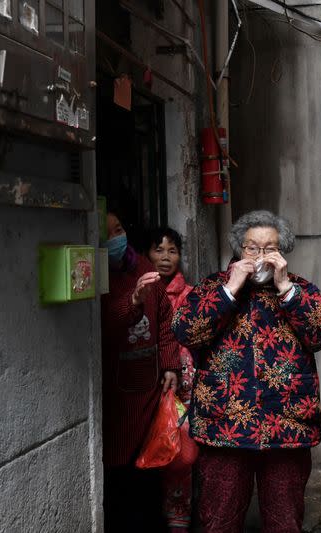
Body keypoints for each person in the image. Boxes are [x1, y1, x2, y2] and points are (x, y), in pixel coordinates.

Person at [172, 210, 321, 533]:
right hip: (224, 428)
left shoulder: (300, 290)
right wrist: (229, 291)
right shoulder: (214, 287)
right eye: (252, 248)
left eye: (270, 249)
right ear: (239, 250)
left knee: (284, 522)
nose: (261, 257)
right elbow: (184, 329)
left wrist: (286, 290)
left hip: (286, 429)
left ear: (282, 253)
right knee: (218, 522)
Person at [101, 212, 180, 532]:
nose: (116, 237)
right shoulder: (98, 278)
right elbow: (103, 326)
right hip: (117, 394)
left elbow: (164, 323)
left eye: (119, 229)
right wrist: (132, 302)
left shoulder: (146, 271)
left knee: (150, 468)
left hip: (150, 390)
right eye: (108, 234)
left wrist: (171, 365)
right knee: (120, 475)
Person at [145, 227, 196, 533]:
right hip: (145, 387)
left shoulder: (189, 296)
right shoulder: (140, 291)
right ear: (146, 254)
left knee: (180, 454)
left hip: (181, 387)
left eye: (172, 251)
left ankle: (179, 512)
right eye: (158, 250)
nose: (165, 258)